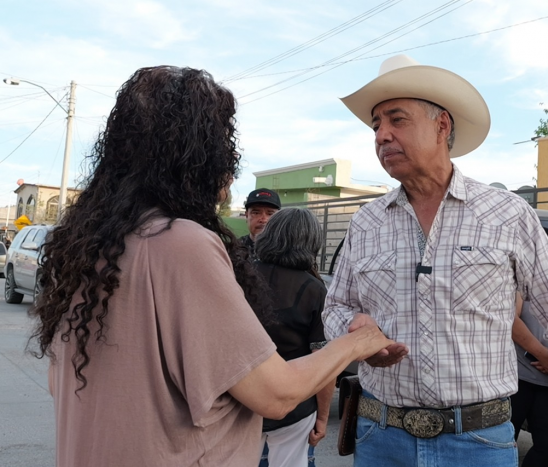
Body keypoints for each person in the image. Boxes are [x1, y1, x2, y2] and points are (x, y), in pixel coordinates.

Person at [29, 65, 393, 467]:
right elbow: (276, 393)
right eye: (223, 143)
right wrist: (358, 342)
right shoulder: (181, 244)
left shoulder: (83, 247)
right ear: (196, 156)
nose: (231, 163)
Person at [322, 54, 548, 467]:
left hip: (478, 444)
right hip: (380, 438)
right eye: (376, 125)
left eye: (397, 119)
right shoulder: (366, 222)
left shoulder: (507, 214)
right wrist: (354, 333)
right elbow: (335, 306)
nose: (382, 135)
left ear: (442, 125)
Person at [254, 208, 331, 467]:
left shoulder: (240, 275)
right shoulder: (314, 289)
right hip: (295, 406)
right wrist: (323, 417)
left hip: (243, 402)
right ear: (312, 242)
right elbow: (323, 363)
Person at [510, 227, 548, 466]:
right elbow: (510, 321)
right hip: (519, 378)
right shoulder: (520, 280)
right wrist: (541, 355)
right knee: (504, 441)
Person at [240, 188, 281, 256]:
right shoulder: (233, 249)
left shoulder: (288, 250)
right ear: (247, 215)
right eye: (256, 213)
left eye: (270, 214)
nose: (263, 220)